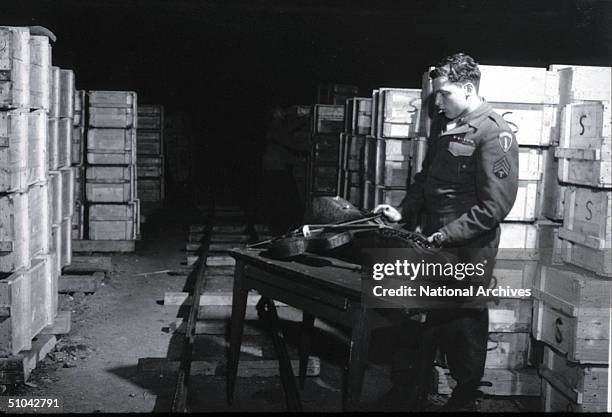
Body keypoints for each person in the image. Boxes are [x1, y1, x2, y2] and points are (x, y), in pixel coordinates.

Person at [374, 52, 519, 411]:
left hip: (468, 246)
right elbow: (425, 180)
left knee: (462, 321)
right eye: (435, 95)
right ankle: (408, 391)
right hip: (431, 238)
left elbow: (494, 207)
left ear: (468, 89)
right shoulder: (446, 124)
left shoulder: (494, 133)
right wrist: (402, 212)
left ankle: (464, 396)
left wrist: (446, 235)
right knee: (414, 314)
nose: (437, 102)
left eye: (445, 94)